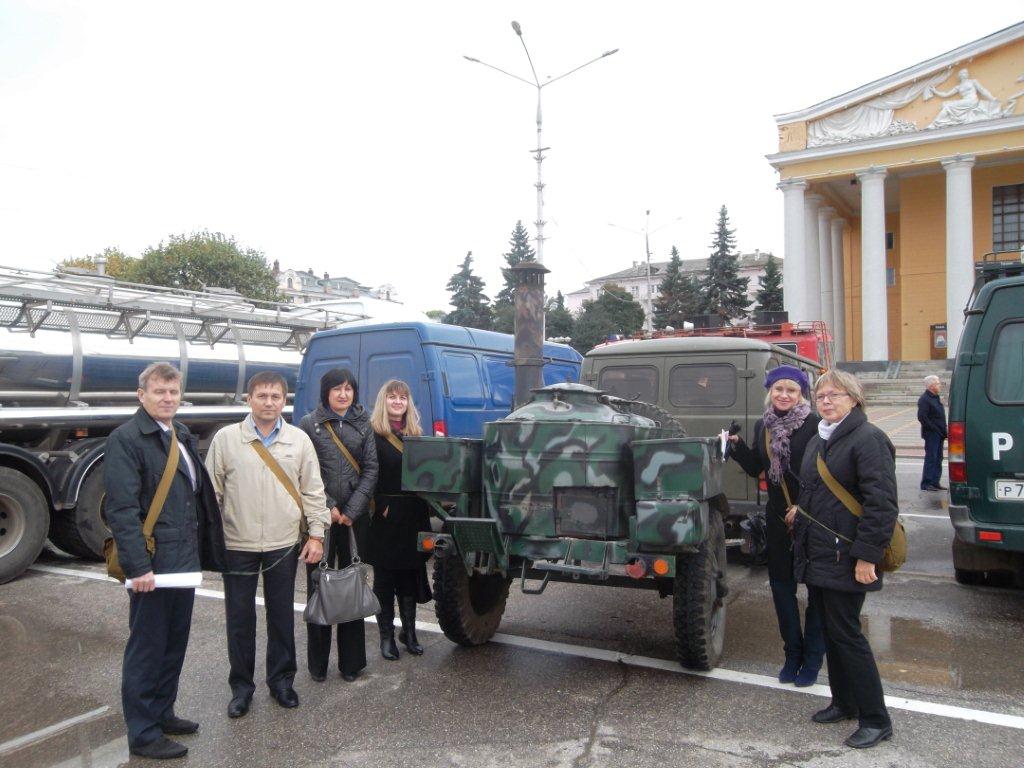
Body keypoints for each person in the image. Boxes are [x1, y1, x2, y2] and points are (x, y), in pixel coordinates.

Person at [104, 362, 227, 760]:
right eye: (159, 392)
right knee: (147, 649)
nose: (167, 399)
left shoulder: (180, 433)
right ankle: (143, 733)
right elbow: (122, 509)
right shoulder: (126, 439)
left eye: (173, 392)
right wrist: (138, 567)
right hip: (152, 564)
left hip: (182, 559)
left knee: (173, 644)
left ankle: (162, 712)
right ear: (141, 395)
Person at [205, 371, 330, 719]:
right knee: (239, 620)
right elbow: (211, 494)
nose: (269, 402)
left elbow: (313, 491)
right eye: (262, 396)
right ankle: (241, 689)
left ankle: (281, 682)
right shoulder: (226, 439)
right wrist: (211, 541)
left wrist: (317, 534)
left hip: (284, 543)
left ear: (284, 400)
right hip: (237, 543)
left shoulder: (299, 440)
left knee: (280, 617)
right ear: (249, 399)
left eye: (276, 397)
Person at [789, 370, 897, 750]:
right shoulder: (823, 439)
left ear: (854, 398)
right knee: (832, 632)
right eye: (820, 398)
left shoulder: (868, 440)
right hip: (818, 553)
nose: (826, 402)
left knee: (847, 635)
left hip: (847, 555)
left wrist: (867, 556)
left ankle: (875, 719)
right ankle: (844, 702)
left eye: (834, 395)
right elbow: (814, 489)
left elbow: (881, 505)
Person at [727, 365, 825, 687]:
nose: (784, 395)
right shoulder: (764, 425)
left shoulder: (815, 424)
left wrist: (806, 507)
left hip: (812, 517)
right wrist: (737, 446)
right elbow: (761, 467)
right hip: (778, 516)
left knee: (817, 590)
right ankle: (791, 655)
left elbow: (825, 474)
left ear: (801, 395)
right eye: (779, 390)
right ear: (770, 392)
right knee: (782, 588)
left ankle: (812, 660)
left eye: (792, 391)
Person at [298, 368, 378, 682]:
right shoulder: (309, 424)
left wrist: (352, 509)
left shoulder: (364, 423)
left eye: (348, 389)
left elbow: (371, 469)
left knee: (352, 587)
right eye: (336, 389)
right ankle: (317, 665)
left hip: (354, 521)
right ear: (326, 392)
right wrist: (328, 505)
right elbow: (306, 470)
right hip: (321, 520)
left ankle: (352, 663)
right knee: (319, 587)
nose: (343, 394)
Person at [367, 379, 433, 660]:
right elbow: (366, 475)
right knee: (385, 579)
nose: (397, 402)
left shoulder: (416, 434)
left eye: (402, 398)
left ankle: (410, 633)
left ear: (408, 403)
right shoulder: (372, 436)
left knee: (410, 575)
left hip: (414, 514)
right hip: (387, 515)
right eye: (392, 397)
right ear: (384, 401)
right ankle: (386, 637)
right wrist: (378, 505)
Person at [917, 374, 947, 491]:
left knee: (938, 458)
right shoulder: (925, 399)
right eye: (938, 384)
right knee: (931, 457)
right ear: (931, 386)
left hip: (939, 433)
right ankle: (927, 483)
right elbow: (922, 417)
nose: (940, 386)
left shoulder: (935, 397)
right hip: (932, 434)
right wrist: (934, 428)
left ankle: (935, 482)